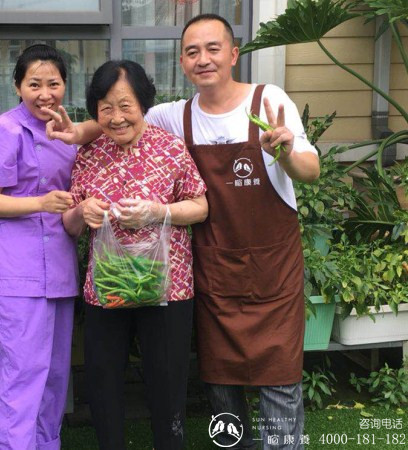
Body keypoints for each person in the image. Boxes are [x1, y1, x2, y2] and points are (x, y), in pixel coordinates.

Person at [46, 14, 320, 450]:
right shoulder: (176, 115)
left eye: (213, 49)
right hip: (213, 269)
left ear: (233, 54)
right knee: (221, 381)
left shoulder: (269, 101)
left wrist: (285, 152)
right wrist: (78, 133)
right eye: (192, 51)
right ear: (182, 61)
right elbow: (118, 114)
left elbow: (310, 170)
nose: (203, 59)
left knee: (278, 377)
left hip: (271, 268)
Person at [61, 60, 208, 450]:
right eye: (106, 107)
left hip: (167, 288)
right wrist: (81, 212)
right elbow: (70, 225)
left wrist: (160, 212)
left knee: (167, 379)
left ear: (143, 103)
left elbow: (201, 206)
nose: (116, 117)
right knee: (103, 378)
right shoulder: (89, 154)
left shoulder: (171, 148)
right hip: (106, 289)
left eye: (125, 105)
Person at [0, 44, 78, 450]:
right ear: (17, 86)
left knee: (54, 376)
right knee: (20, 377)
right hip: (15, 275)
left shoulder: (65, 133)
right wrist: (41, 203)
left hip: (59, 270)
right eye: (34, 83)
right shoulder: (4, 130)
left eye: (53, 83)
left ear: (65, 86)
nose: (44, 93)